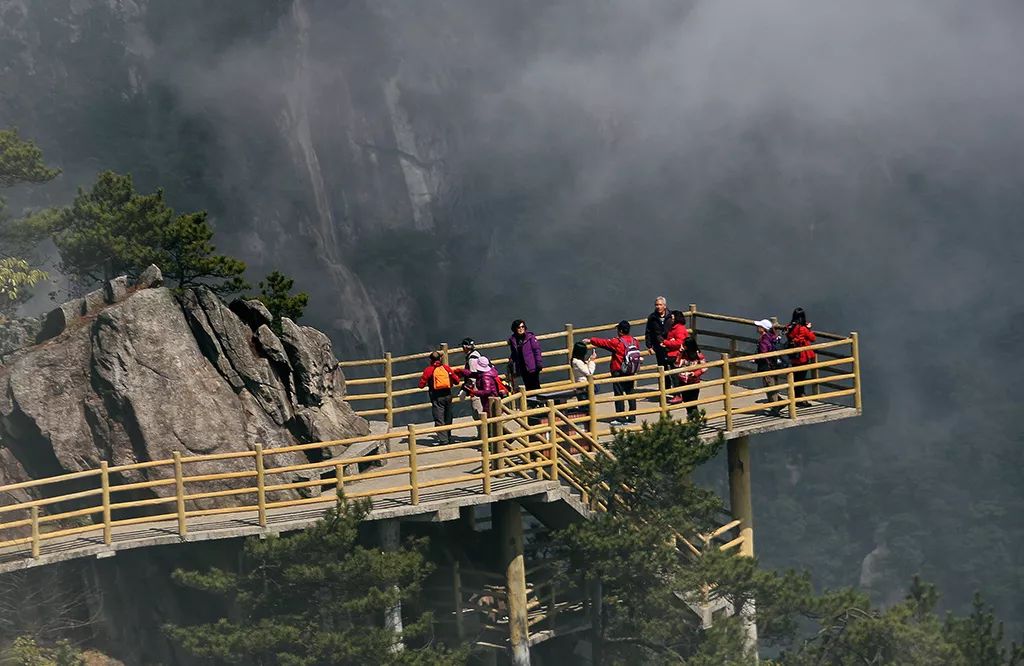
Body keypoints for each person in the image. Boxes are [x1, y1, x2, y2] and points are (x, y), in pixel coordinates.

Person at [585, 320, 641, 425]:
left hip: (619, 371)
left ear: (620, 331)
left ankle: (621, 418)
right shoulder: (635, 341)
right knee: (630, 392)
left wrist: (591, 340)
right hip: (630, 371)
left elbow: (604, 343)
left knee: (619, 394)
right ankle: (632, 416)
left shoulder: (618, 342)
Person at [417, 351, 457, 444]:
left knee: (439, 417)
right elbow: (456, 380)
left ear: (430, 360)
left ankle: (443, 440)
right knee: (448, 416)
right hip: (448, 395)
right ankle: (448, 436)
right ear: (440, 359)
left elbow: (421, 385)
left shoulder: (428, 370)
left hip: (436, 396)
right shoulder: (446, 368)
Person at [671, 336, 706, 420]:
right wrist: (679, 353)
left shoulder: (698, 355)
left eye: (685, 345)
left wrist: (694, 374)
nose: (683, 346)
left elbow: (704, 367)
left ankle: (697, 420)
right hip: (683, 381)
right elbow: (676, 364)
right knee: (686, 402)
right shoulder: (683, 354)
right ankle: (691, 419)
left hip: (694, 382)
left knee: (693, 403)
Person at [754, 319, 785, 414]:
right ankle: (780, 401)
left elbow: (763, 353)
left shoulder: (764, 339)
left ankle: (775, 407)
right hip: (774, 364)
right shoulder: (772, 337)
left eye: (759, 326)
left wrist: (756, 359)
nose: (757, 327)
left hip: (766, 366)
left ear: (763, 329)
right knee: (773, 384)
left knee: (769, 386)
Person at [786, 307, 816, 405]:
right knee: (801, 379)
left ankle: (795, 398)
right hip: (802, 356)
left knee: (795, 377)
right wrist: (809, 329)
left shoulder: (789, 327)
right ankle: (801, 399)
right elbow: (812, 338)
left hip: (794, 356)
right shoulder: (803, 329)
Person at [507, 319, 543, 391]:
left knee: (535, 385)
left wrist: (539, 363)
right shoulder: (513, 340)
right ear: (515, 329)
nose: (521, 329)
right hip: (522, 367)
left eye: (523, 327)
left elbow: (537, 350)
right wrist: (511, 360)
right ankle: (532, 402)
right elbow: (514, 353)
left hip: (532, 366)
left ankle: (539, 401)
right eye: (519, 327)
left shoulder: (530, 337)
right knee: (528, 386)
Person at [661, 310, 690, 387]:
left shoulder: (678, 329)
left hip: (677, 355)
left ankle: (678, 394)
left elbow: (679, 342)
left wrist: (666, 342)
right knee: (675, 375)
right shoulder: (675, 328)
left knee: (676, 376)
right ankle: (677, 394)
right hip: (674, 353)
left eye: (673, 318)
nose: (671, 320)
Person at [645, 296, 673, 369]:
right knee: (662, 366)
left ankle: (676, 380)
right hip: (658, 345)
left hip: (671, 345)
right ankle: (666, 381)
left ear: (664, 306)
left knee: (674, 366)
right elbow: (648, 332)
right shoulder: (652, 317)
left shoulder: (671, 316)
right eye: (656, 305)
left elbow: (676, 329)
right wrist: (649, 346)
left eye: (660, 305)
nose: (658, 307)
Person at [458, 337, 483, 414]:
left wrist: (465, 390)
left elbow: (473, 377)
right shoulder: (477, 354)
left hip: (476, 389)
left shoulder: (472, 359)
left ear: (465, 347)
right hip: (482, 386)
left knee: (477, 412)